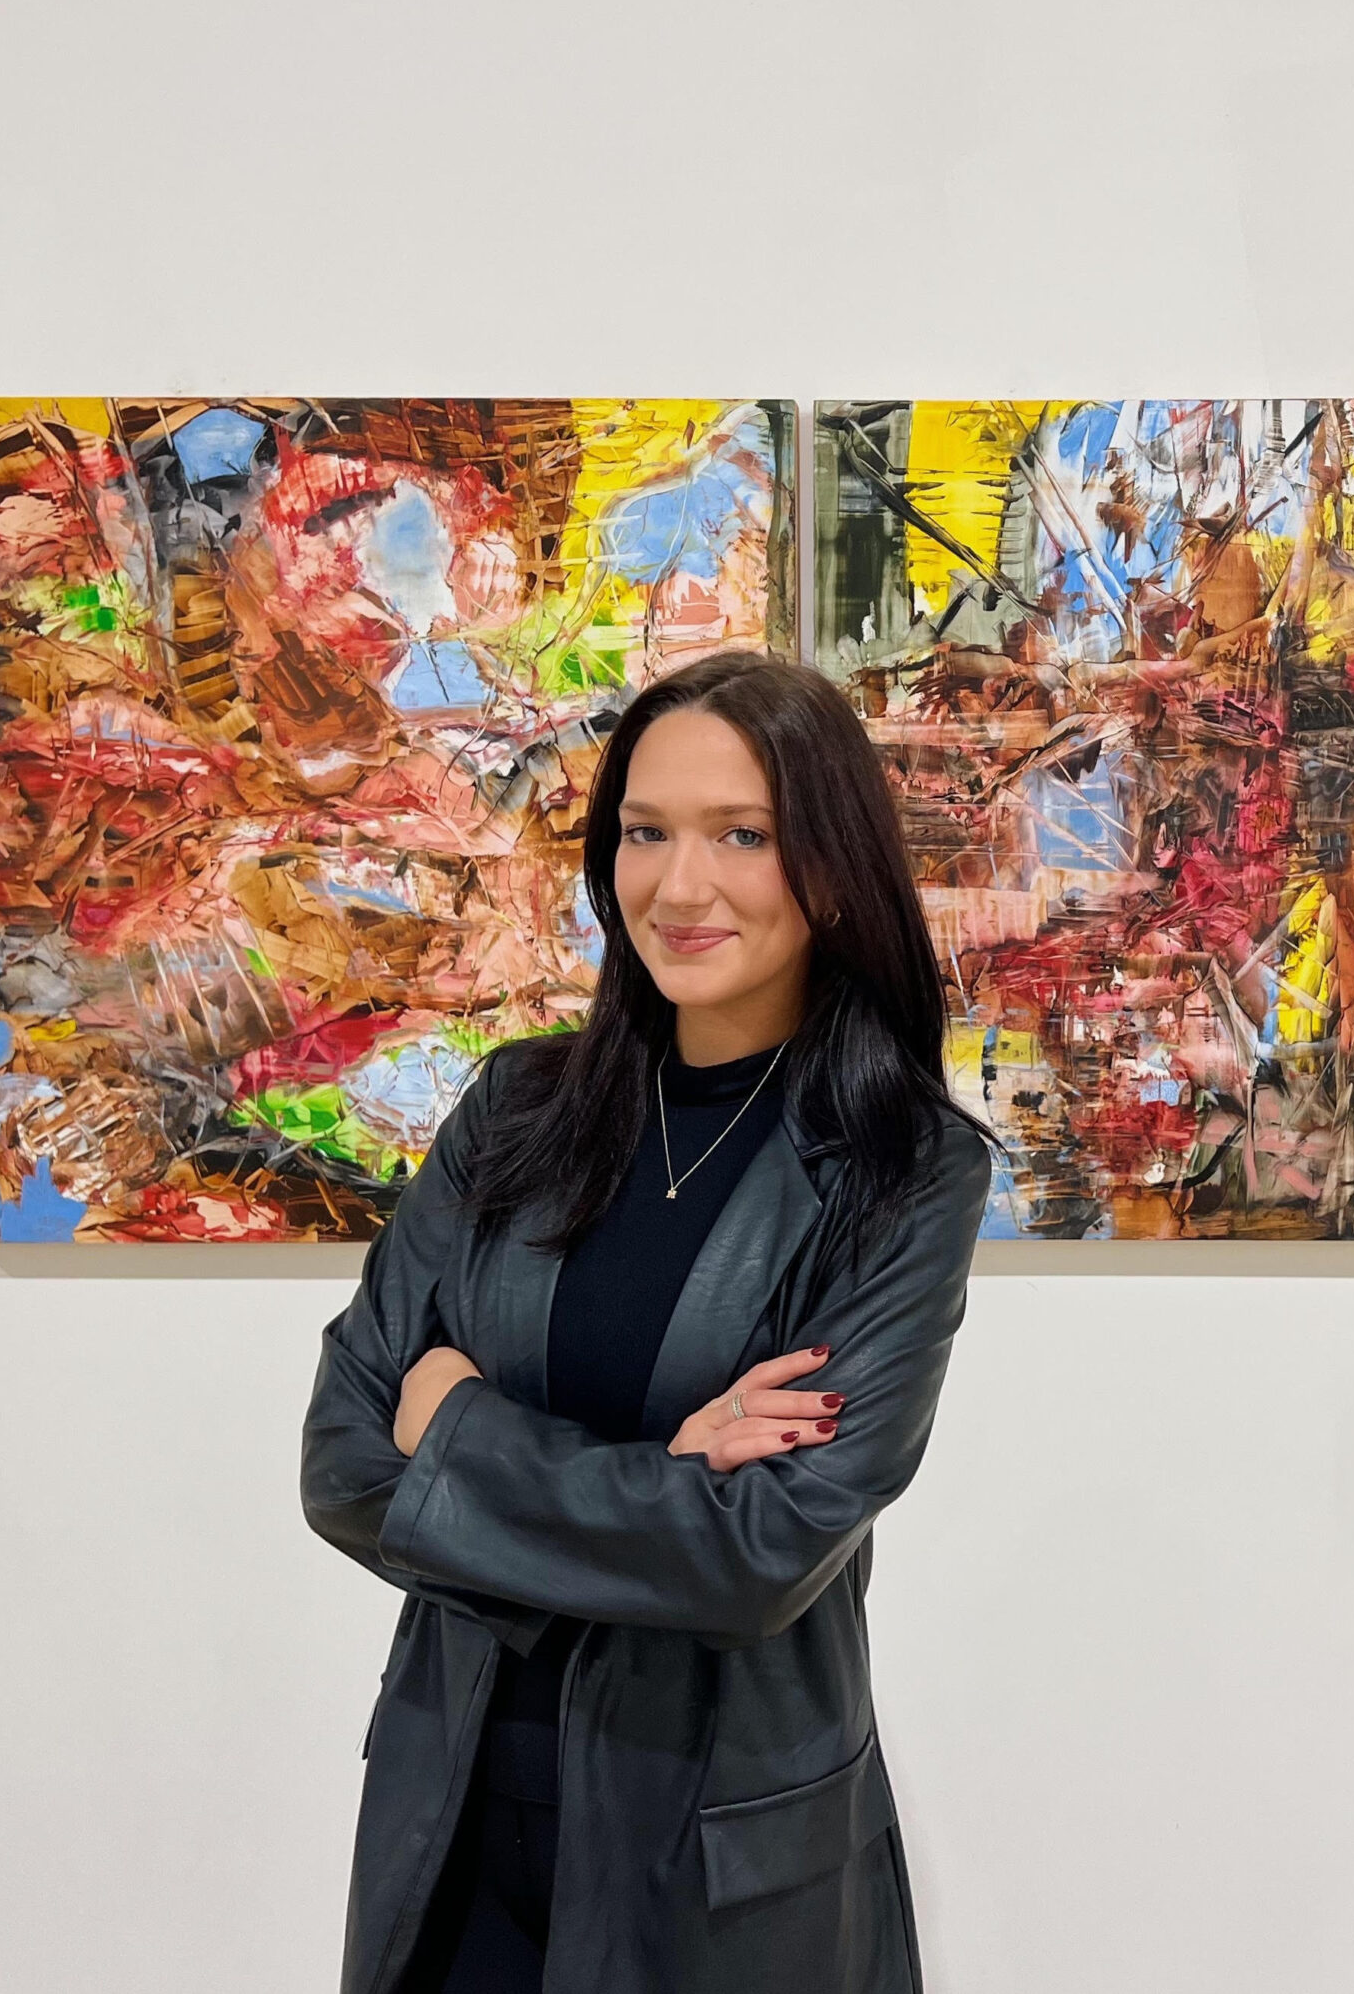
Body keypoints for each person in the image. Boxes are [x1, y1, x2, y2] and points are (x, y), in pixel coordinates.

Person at [301, 651, 990, 1994]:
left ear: (834, 861)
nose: (681, 887)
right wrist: (665, 1477)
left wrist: (457, 1429)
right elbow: (341, 1460)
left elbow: (760, 1551)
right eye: (646, 832)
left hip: (721, 1873)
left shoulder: (905, 1171)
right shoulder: (513, 1113)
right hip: (453, 1832)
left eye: (744, 835)